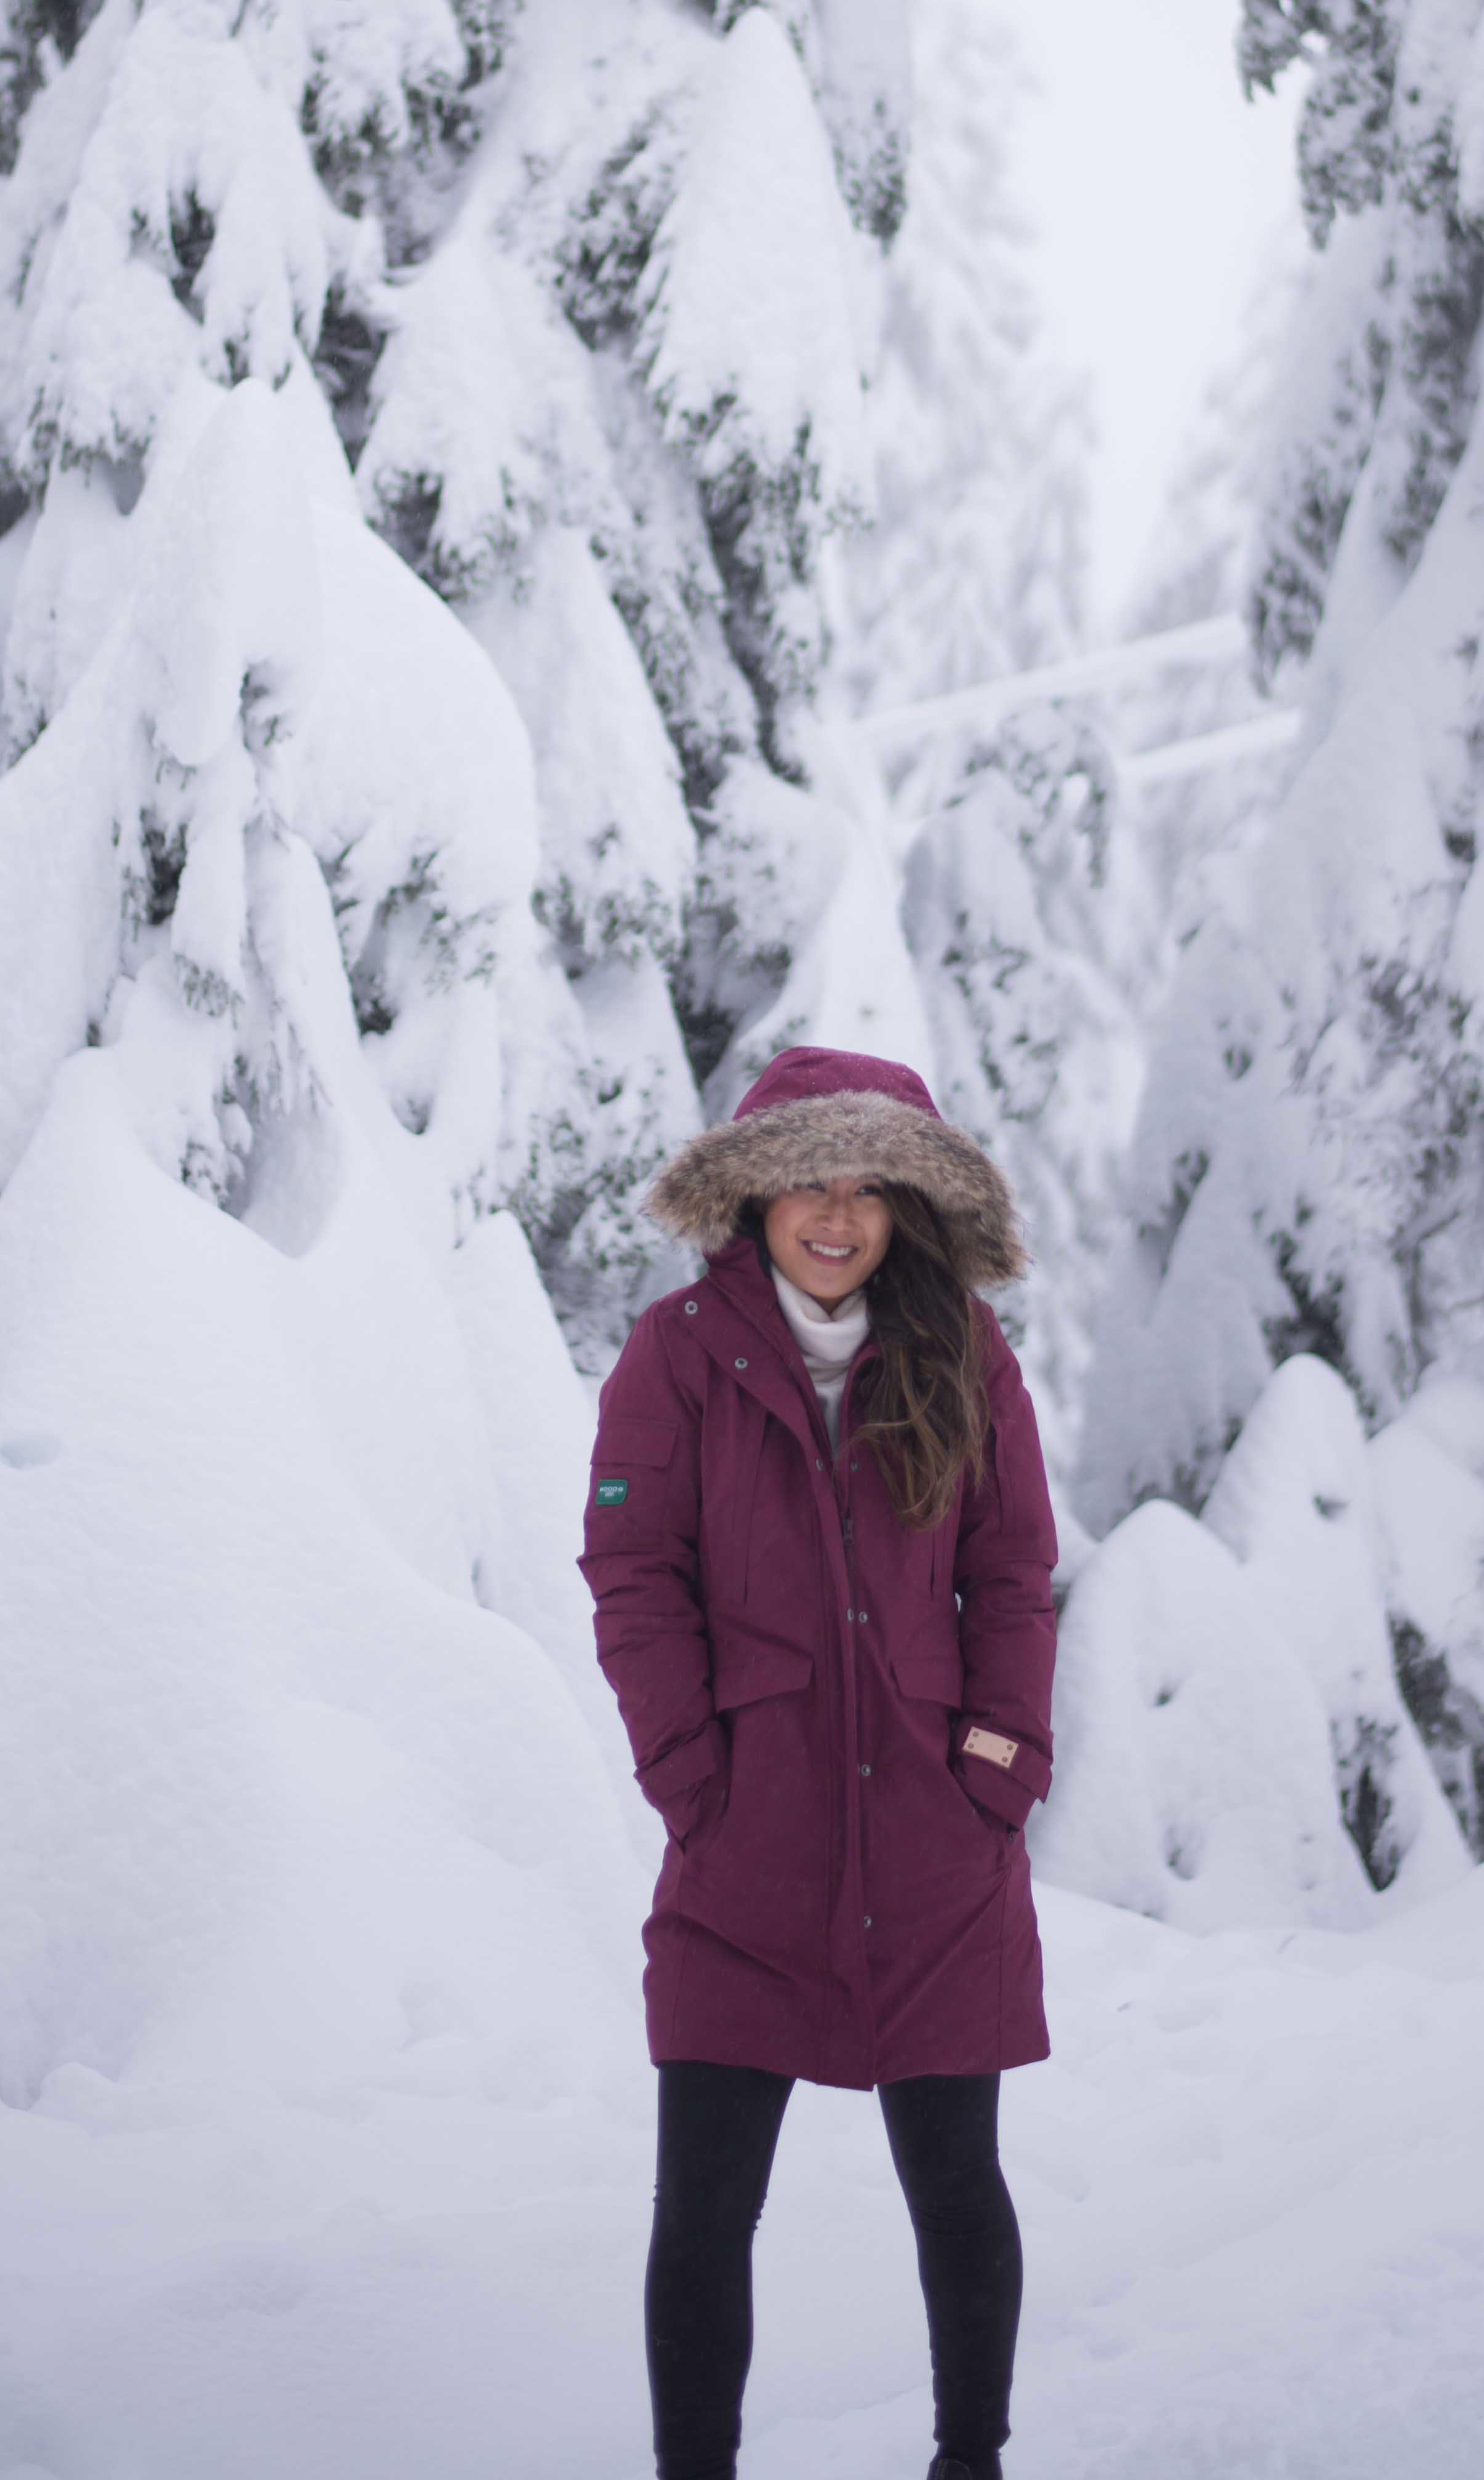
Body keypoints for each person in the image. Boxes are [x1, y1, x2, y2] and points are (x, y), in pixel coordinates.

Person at [582, 1043, 1058, 2480]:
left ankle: (967, 2460)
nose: (836, 1215)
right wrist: (688, 1769)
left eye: (867, 1185)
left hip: (935, 1836)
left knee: (958, 2185)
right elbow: (631, 1568)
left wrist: (994, 1766)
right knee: (706, 2206)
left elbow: (1015, 1571)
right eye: (807, 1182)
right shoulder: (675, 1353)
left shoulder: (967, 1352)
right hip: (747, 1839)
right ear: (756, 1194)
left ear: (908, 1203)